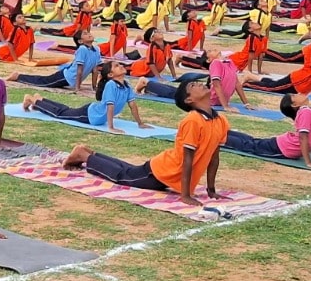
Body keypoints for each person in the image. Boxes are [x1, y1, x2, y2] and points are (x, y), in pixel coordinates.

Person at [60, 77, 230, 208]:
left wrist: (211, 190)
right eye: (193, 86)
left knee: (130, 170)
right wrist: (185, 196)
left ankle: (89, 154)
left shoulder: (220, 120)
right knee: (122, 176)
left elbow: (214, 158)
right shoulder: (193, 120)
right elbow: (187, 160)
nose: (200, 84)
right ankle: (84, 155)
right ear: (188, 100)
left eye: (198, 83)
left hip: (168, 174)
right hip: (163, 172)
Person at [18, 60, 152, 133]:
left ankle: (40, 99)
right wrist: (111, 127)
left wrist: (140, 123)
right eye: (117, 66)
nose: (121, 66)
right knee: (61, 114)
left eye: (120, 64)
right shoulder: (111, 85)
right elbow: (110, 107)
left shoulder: (126, 85)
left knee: (65, 110)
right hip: (90, 115)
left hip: (94, 113)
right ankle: (32, 100)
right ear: (110, 75)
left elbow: (133, 106)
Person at [221, 94, 311, 170]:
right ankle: (219, 136)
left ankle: (225, 133)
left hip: (282, 143)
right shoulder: (305, 111)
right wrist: (309, 162)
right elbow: (303, 137)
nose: (299, 94)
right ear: (295, 104)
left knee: (252, 142)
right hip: (282, 148)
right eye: (296, 95)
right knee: (250, 145)